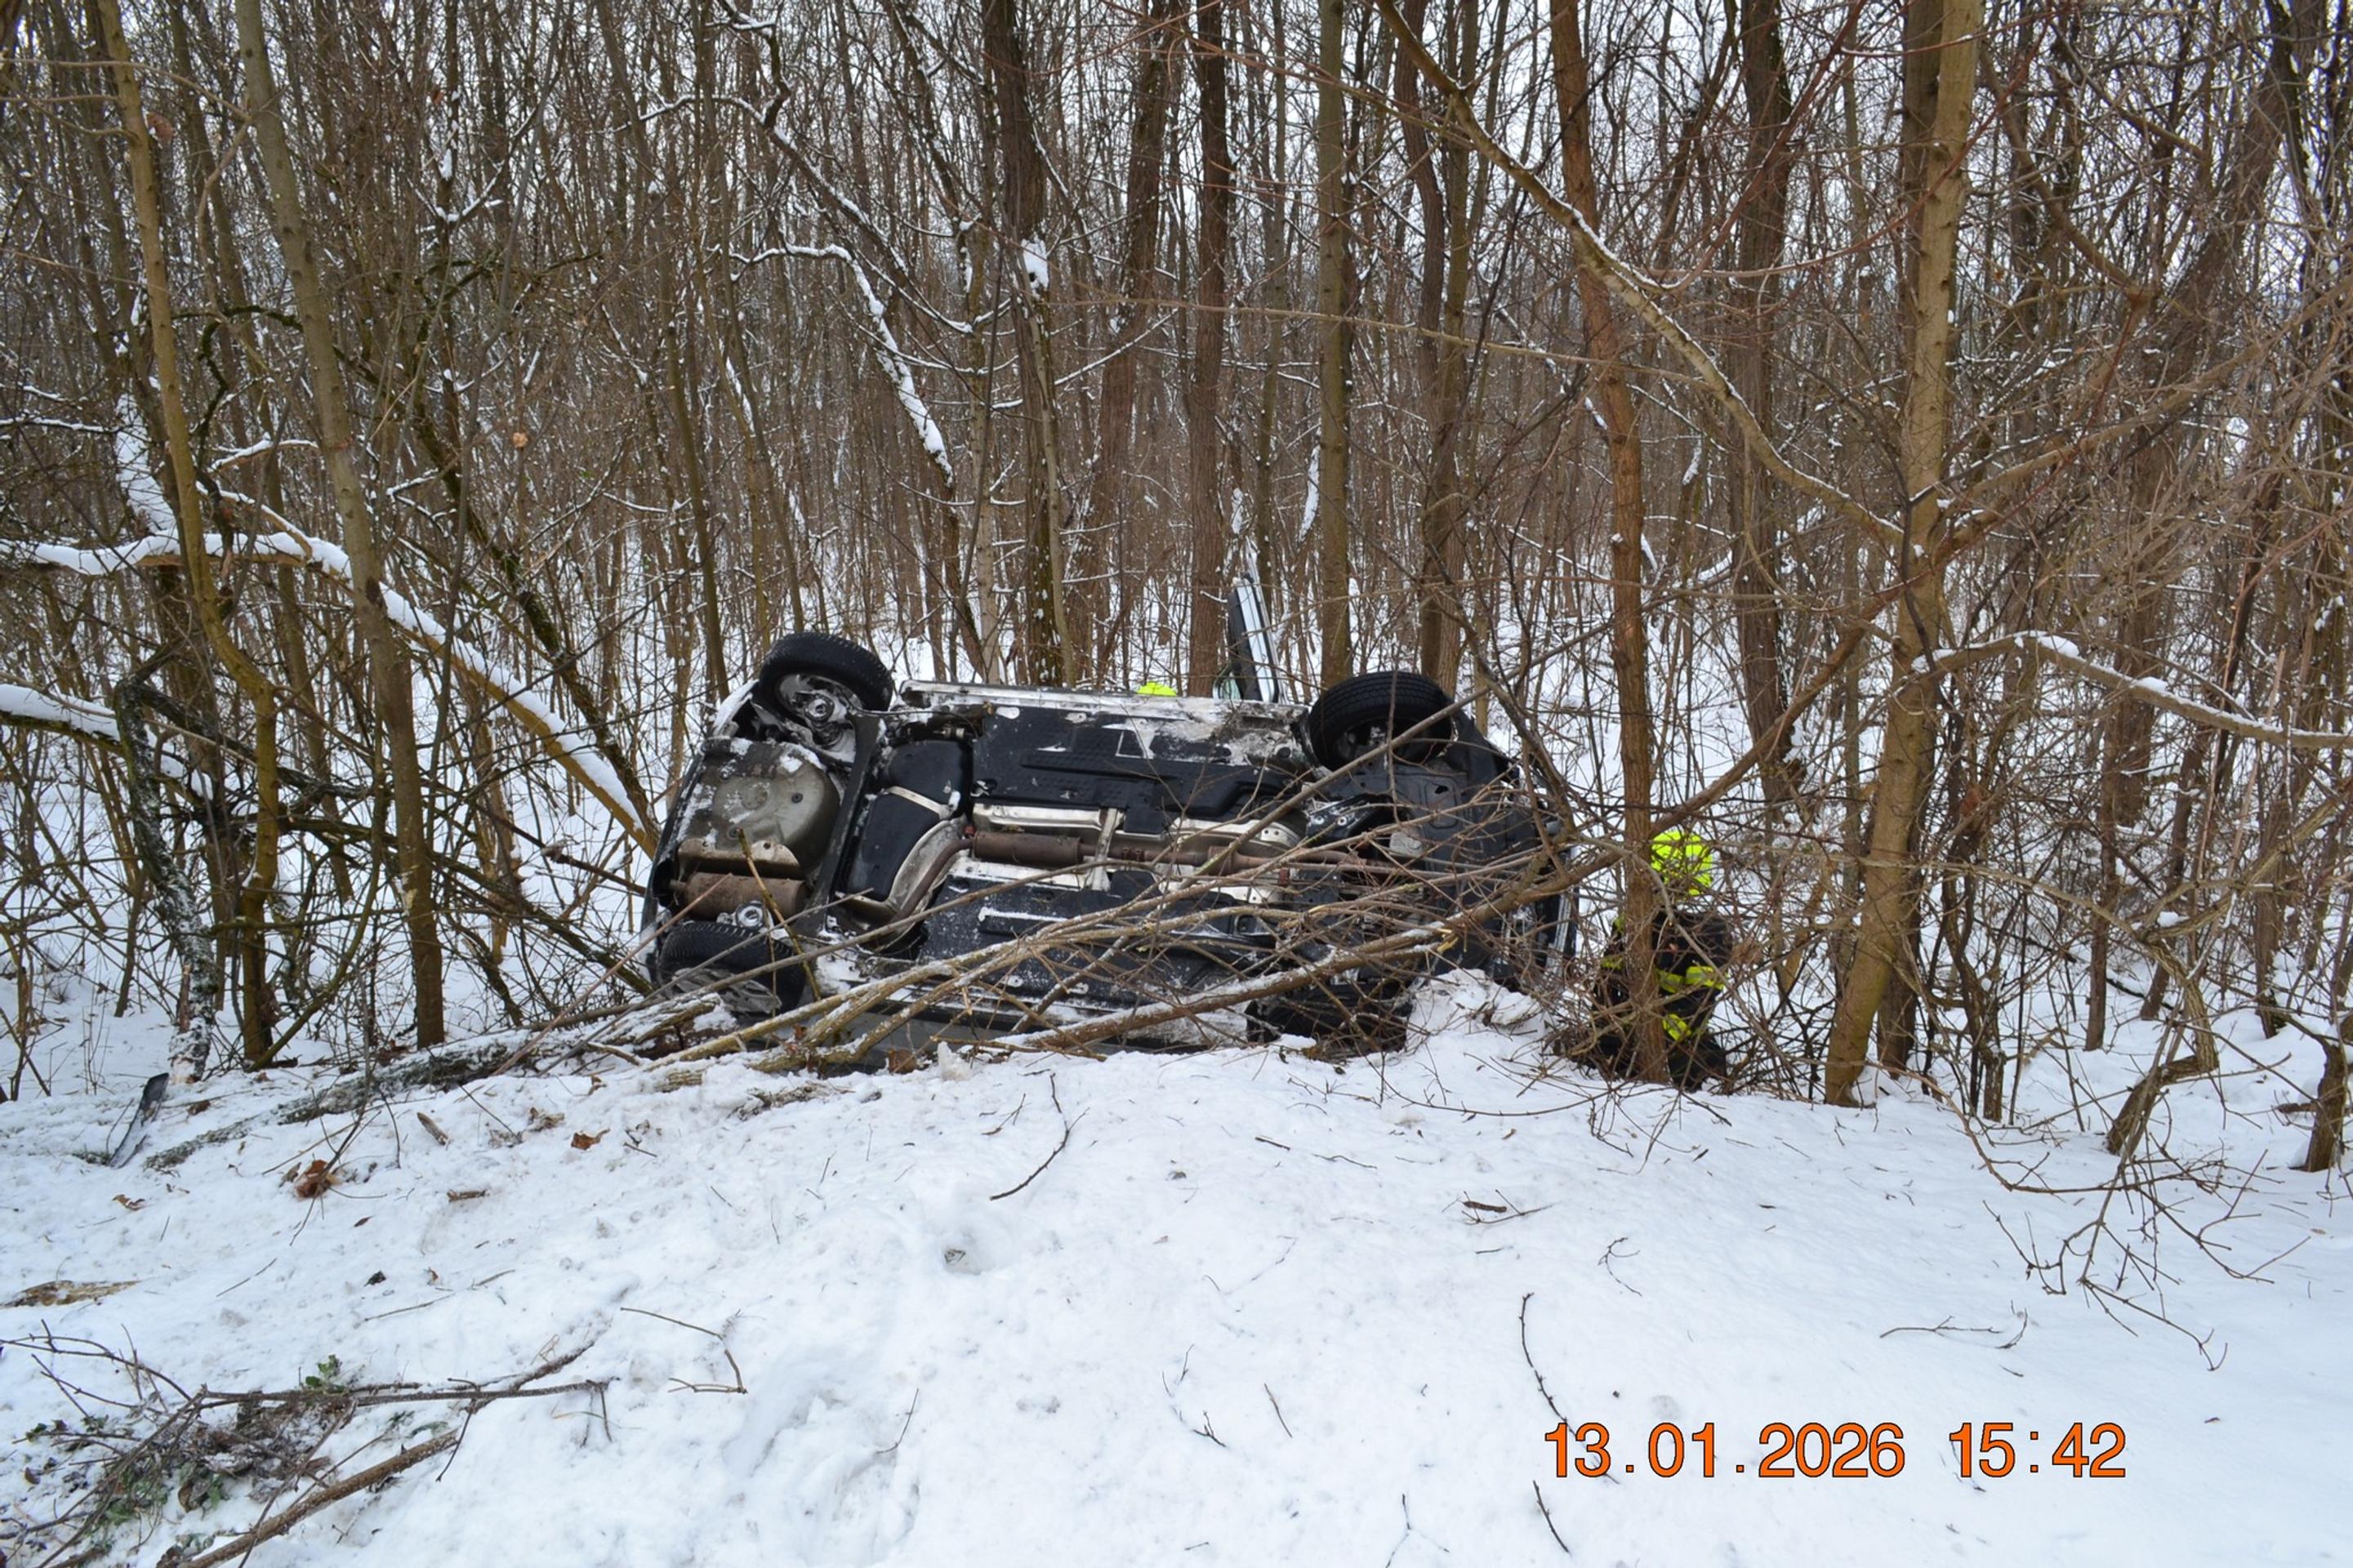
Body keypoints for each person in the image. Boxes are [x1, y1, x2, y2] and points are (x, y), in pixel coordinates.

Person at [1584, 828, 1735, 1089]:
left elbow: (1697, 1005)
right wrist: (1605, 1035)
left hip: (1681, 1048)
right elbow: (1605, 988)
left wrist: (1654, 1043)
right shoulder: (1633, 922)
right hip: (1628, 1033)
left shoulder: (1710, 934)